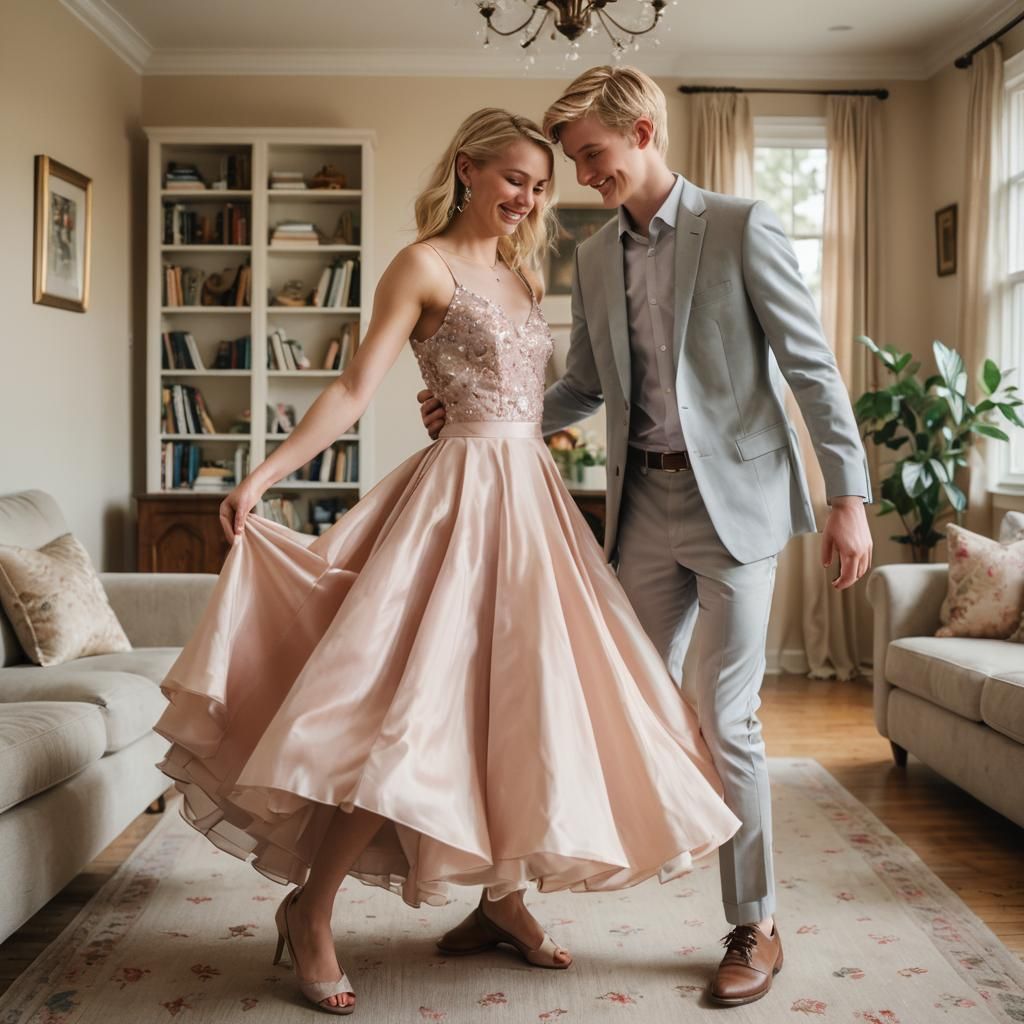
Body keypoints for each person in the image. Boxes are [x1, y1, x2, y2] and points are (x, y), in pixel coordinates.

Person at [154, 107, 742, 1017]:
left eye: (542, 185)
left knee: (522, 709)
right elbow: (355, 387)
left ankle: (501, 900)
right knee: (404, 715)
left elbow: (543, 396)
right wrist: (263, 474)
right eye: (515, 178)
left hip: (533, 503)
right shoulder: (419, 265)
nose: (530, 197)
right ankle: (311, 910)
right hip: (456, 506)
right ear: (466, 169)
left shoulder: (519, 269)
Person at [419, 68, 874, 1008]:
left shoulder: (744, 226)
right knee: (581, 703)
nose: (582, 176)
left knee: (725, 716)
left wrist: (849, 497)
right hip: (640, 514)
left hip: (738, 510)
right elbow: (584, 385)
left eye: (592, 154)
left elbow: (814, 371)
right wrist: (486, 410)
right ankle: (502, 899)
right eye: (573, 160)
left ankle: (755, 923)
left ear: (644, 130)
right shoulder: (591, 257)